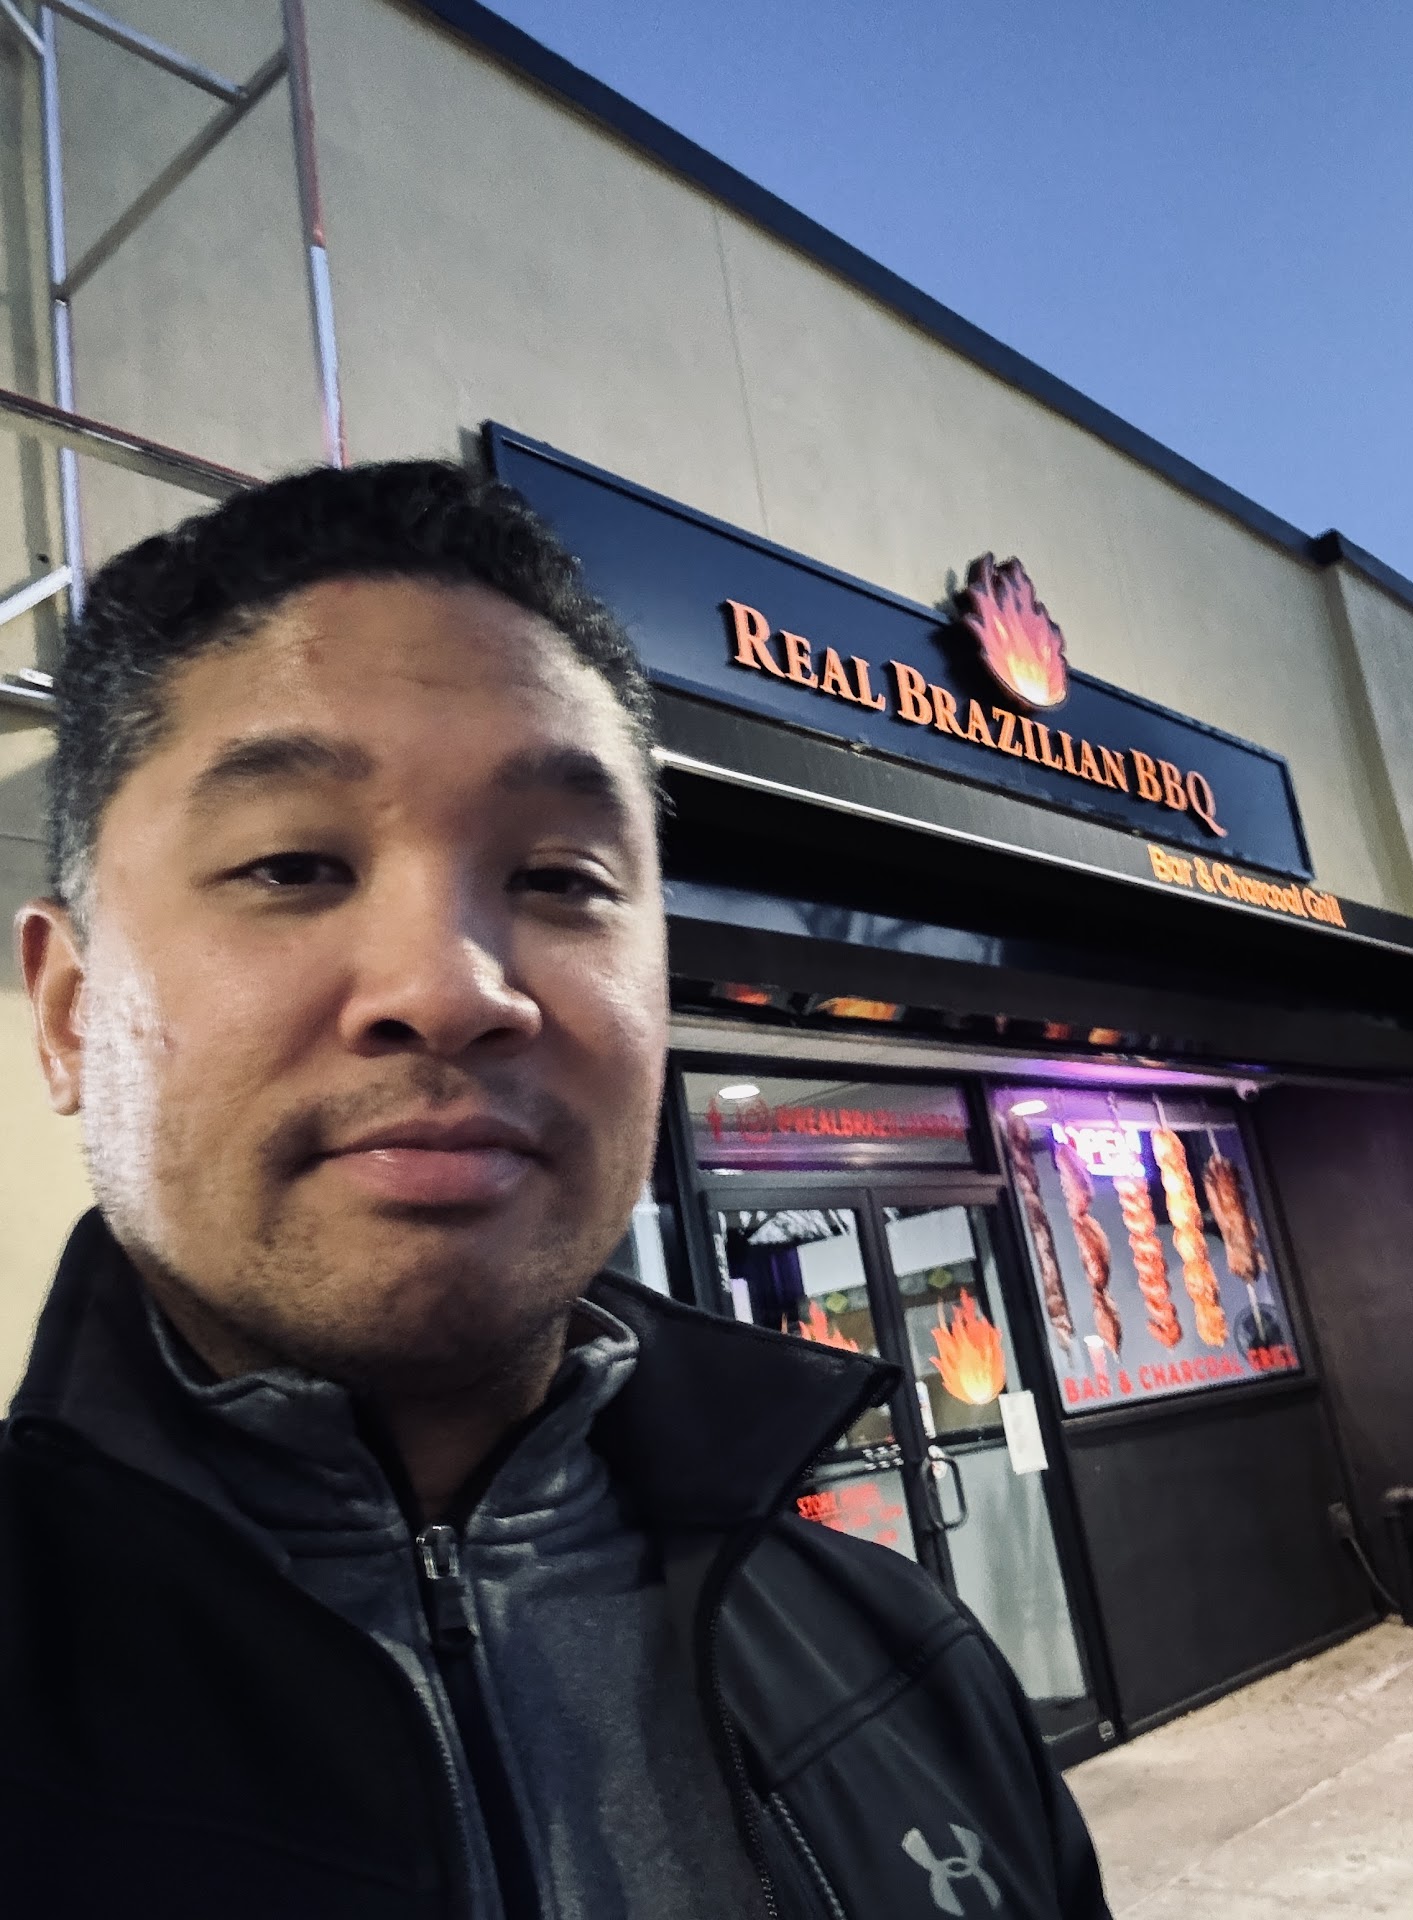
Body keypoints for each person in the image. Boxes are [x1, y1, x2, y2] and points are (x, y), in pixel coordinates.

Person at [3, 460, 1110, 1919]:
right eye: (293, 864)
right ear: (70, 1015)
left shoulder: (909, 1667)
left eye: (560, 879)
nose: (451, 989)